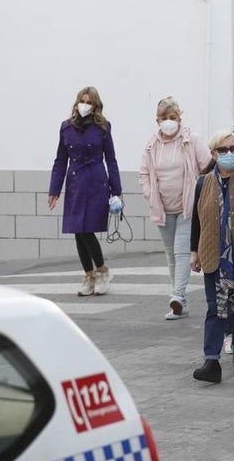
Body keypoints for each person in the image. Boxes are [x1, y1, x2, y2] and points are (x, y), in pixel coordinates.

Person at [189, 130, 234, 384]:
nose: (229, 154)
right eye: (222, 150)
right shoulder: (203, 182)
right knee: (215, 308)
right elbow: (196, 219)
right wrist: (194, 250)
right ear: (213, 154)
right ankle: (211, 360)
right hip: (213, 253)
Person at [138, 96, 210, 320]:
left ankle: (177, 296)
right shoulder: (151, 145)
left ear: (180, 118)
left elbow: (206, 167)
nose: (168, 121)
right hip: (162, 208)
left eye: (173, 117)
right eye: (164, 118)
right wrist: (150, 195)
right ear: (157, 120)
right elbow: (144, 174)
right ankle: (180, 301)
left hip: (187, 207)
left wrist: (200, 196)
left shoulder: (191, 140)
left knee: (181, 253)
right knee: (171, 255)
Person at [48, 87, 122, 298]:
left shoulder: (103, 127)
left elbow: (111, 160)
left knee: (86, 229)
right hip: (75, 184)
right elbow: (60, 160)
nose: (84, 105)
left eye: (88, 102)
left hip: (96, 183)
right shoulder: (66, 128)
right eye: (82, 100)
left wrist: (116, 191)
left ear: (95, 105)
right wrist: (54, 190)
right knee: (77, 231)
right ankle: (89, 275)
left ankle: (101, 271)